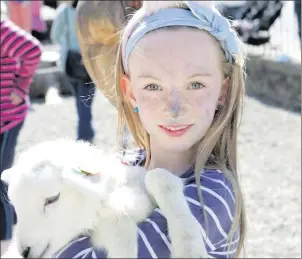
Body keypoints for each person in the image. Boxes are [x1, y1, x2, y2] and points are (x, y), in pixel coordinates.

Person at [56, 1, 247, 258]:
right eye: (153, 87)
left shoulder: (211, 196)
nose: (175, 108)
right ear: (130, 92)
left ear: (222, 91)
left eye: (196, 84)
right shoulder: (120, 163)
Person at [0, 18, 42, 253]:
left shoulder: (2, 30)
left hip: (7, 117)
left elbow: (32, 50)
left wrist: (20, 86)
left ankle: (5, 244)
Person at [50, 0, 95, 143]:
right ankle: (85, 135)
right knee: (86, 102)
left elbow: (55, 36)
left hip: (68, 62)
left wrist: (68, 42)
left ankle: (86, 131)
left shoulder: (63, 12)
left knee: (79, 101)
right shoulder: (91, 10)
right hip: (89, 61)